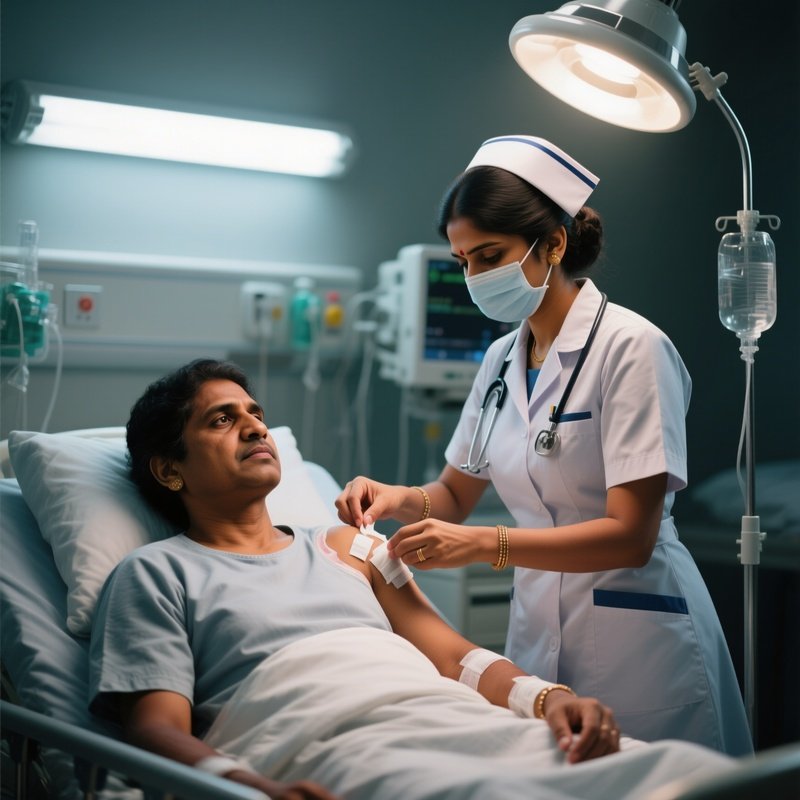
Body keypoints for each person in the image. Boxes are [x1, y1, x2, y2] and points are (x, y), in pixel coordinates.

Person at [89, 359, 733, 800]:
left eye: (254, 413)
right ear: (169, 470)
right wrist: (251, 788)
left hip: (449, 719)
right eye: (222, 420)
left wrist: (550, 700)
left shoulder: (350, 547)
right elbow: (156, 729)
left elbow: (455, 659)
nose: (256, 426)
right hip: (332, 744)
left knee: (680, 773)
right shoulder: (156, 573)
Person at [335, 135, 752, 756]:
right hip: (537, 628)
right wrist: (395, 497)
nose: (475, 277)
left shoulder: (632, 348)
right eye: (464, 261)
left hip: (639, 638)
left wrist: (486, 544)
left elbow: (631, 536)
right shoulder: (501, 359)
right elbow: (452, 495)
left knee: (660, 781)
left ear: (553, 244)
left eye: (490, 256)